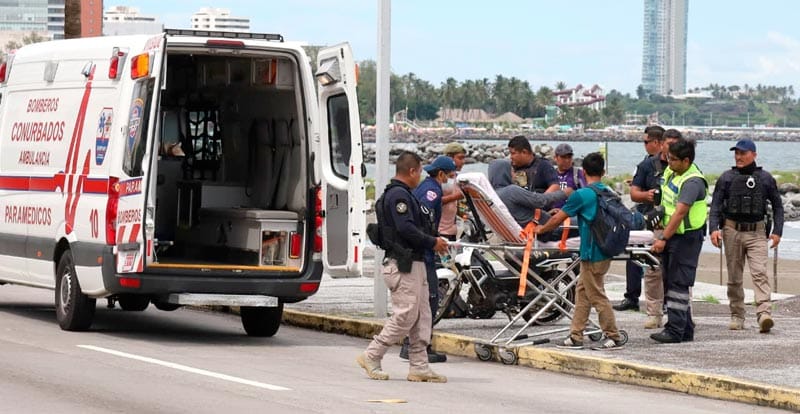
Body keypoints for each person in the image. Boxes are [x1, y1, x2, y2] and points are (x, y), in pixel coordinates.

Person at [357, 151, 449, 382]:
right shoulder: (398, 195)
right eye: (419, 171)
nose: (420, 177)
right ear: (412, 171)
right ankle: (372, 354)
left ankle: (419, 366)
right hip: (403, 264)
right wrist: (433, 242)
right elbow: (406, 229)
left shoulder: (405, 194)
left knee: (422, 316)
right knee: (406, 315)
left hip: (415, 262)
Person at [535, 152, 626, 350]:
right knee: (583, 293)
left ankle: (614, 335)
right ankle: (576, 335)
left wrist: (540, 230)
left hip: (593, 252)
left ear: (583, 172)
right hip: (605, 250)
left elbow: (558, 219)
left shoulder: (582, 194)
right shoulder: (608, 191)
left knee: (595, 295)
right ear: (603, 171)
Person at [709, 139, 783, 333]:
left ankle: (764, 313)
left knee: (759, 273)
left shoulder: (766, 178)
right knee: (734, 277)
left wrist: (777, 232)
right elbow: (715, 205)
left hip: (757, 232)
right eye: (737, 153)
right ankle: (737, 315)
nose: (739, 157)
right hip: (731, 231)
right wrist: (713, 229)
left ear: (754, 155)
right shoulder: (726, 178)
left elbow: (777, 207)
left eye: (743, 153)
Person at [398, 155, 456, 363]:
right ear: (441, 174)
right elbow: (424, 212)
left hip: (423, 248)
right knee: (430, 300)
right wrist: (431, 239)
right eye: (449, 175)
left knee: (424, 300)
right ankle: (417, 346)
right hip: (426, 251)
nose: (450, 179)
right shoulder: (433, 189)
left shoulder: (425, 185)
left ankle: (415, 345)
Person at [650, 137, 708, 344]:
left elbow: (680, 212)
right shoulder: (672, 172)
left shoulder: (692, 181)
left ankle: (675, 330)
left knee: (678, 283)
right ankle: (685, 328)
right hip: (673, 234)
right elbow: (667, 201)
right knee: (671, 280)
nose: (669, 163)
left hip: (685, 238)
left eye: (673, 160)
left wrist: (663, 237)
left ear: (686, 161)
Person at [614, 126, 667, 332]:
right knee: (636, 257)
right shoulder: (646, 165)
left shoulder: (672, 165)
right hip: (646, 215)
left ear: (657, 142)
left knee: (663, 263)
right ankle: (633, 297)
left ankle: (669, 305)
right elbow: (635, 192)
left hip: (666, 220)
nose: (644, 145)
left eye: (646, 142)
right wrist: (647, 195)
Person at [490, 135, 560, 194]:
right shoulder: (512, 167)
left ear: (524, 152)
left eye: (513, 153)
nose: (511, 157)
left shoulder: (544, 165)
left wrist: (541, 200)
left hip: (537, 205)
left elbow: (555, 186)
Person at [438, 142, 467, 241]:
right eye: (460, 158)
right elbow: (435, 201)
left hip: (452, 230)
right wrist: (457, 196)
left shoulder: (456, 177)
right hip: (440, 231)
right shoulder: (440, 177)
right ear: (450, 158)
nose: (463, 162)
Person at [551, 143, 586, 209]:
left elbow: (585, 196)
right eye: (563, 157)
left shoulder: (578, 174)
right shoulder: (551, 174)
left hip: (572, 214)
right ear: (555, 158)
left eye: (569, 157)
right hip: (553, 214)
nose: (567, 160)